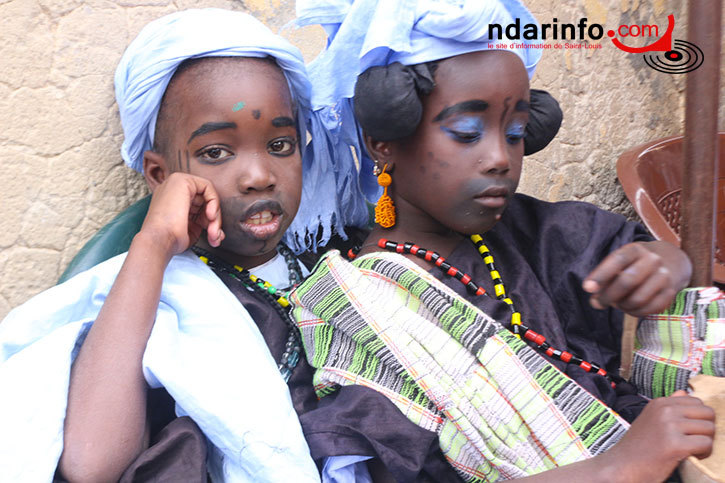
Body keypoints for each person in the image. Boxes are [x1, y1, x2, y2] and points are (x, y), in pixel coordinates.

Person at [288, 0, 716, 481]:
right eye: (467, 132)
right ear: (381, 141)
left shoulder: (533, 231)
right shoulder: (357, 315)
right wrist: (617, 467)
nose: (500, 158)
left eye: (514, 133)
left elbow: (640, 255)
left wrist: (667, 263)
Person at [0, 8, 368, 482]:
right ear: (160, 175)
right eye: (216, 153)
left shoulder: (340, 271)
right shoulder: (150, 296)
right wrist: (152, 245)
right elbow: (91, 465)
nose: (259, 176)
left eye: (280, 145)